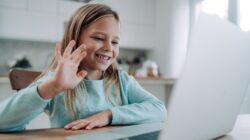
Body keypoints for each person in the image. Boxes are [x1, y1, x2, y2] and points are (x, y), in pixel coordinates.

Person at [0, 4, 166, 132]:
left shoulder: (121, 81)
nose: (109, 47)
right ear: (75, 39)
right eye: (99, 38)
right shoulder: (57, 81)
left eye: (115, 42)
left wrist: (109, 115)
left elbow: (159, 110)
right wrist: (54, 86)